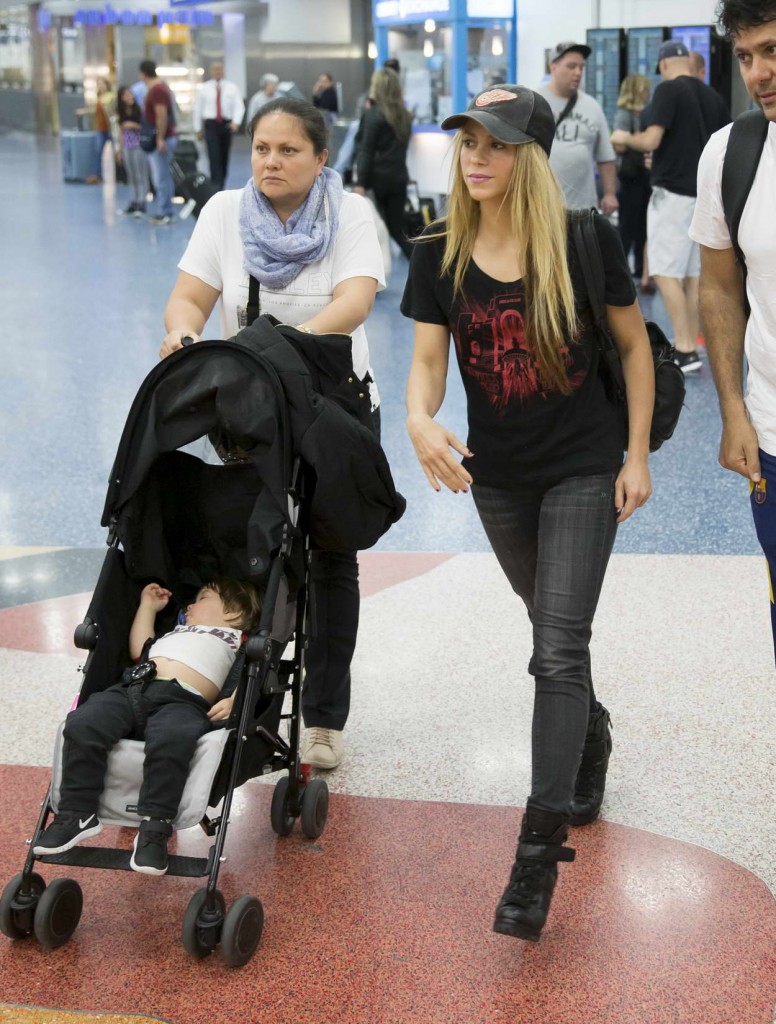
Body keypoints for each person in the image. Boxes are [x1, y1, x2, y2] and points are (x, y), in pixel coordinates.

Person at [402, 85, 654, 942]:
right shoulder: (438, 253)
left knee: (555, 649)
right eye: (468, 142)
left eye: (497, 145)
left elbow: (633, 347)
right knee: (550, 630)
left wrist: (638, 455)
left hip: (584, 467)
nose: (476, 157)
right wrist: (416, 417)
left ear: (533, 158)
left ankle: (536, 855)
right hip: (499, 478)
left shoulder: (585, 241)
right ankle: (592, 729)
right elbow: (429, 364)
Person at [159, 98, 385, 770]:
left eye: (288, 150)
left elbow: (354, 302)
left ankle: (322, 717)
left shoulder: (352, 215)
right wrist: (183, 334)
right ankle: (239, 690)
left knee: (330, 558)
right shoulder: (224, 213)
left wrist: (268, 347)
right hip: (254, 413)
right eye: (261, 147)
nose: (271, 161)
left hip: (337, 408)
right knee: (254, 548)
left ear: (321, 159)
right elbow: (188, 297)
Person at [33, 578, 262, 875]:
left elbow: (250, 675)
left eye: (202, 598)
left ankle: (155, 827)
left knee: (174, 741)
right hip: (133, 689)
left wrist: (235, 699)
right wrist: (148, 607)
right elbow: (139, 649)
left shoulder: (238, 642)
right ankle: (77, 813)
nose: (189, 605)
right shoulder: (176, 631)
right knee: (83, 722)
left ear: (232, 613)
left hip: (184, 702)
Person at [690, 0, 776, 657]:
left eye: (772, 49)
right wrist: (732, 410)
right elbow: (719, 287)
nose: (758, 73)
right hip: (772, 429)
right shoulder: (732, 152)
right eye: (746, 57)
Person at [610, 40, 730, 373]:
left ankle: (686, 348)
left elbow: (650, 140)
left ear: (663, 65)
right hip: (705, 196)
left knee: (663, 271)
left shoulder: (668, 91)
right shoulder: (713, 98)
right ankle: (691, 345)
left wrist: (620, 138)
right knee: (692, 275)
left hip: (673, 196)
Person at [538, 42, 618, 214]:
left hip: (582, 209)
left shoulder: (592, 106)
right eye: (571, 66)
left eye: (581, 67)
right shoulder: (534, 102)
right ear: (553, 68)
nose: (578, 72)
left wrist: (610, 194)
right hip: (541, 208)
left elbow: (605, 156)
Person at [354, 67, 414, 260]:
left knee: (373, 231)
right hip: (398, 177)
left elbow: (366, 150)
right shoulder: (404, 115)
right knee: (398, 229)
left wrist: (360, 183)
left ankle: (373, 278)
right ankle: (422, 267)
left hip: (376, 181)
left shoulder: (373, 114)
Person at [612, 74, 653, 293]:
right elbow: (619, 144)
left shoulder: (645, 114)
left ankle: (639, 270)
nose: (648, 94)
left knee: (642, 227)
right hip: (630, 177)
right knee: (628, 225)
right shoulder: (624, 114)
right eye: (645, 90)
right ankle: (621, 271)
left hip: (643, 176)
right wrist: (639, 140)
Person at [193, 60, 245, 191]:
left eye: (219, 69)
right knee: (213, 156)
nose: (217, 72)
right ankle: (215, 186)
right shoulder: (204, 89)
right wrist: (197, 129)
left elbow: (239, 106)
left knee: (224, 156)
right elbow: (198, 109)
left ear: (223, 71)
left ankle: (221, 184)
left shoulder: (232, 88)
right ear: (211, 72)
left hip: (226, 125)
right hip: (211, 125)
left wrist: (236, 122)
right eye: (214, 70)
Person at [139, 60, 178, 226]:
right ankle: (164, 209)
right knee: (162, 176)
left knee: (161, 177)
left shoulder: (157, 90)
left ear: (143, 73)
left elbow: (161, 116)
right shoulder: (157, 88)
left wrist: (159, 138)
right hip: (161, 138)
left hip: (162, 139)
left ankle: (166, 212)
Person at [116, 85, 150, 217]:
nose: (128, 97)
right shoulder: (122, 112)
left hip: (139, 145)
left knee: (140, 174)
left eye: (129, 94)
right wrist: (119, 149)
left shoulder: (140, 111)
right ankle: (133, 201)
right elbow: (120, 131)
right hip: (127, 146)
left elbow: (145, 127)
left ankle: (142, 202)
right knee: (131, 175)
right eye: (125, 95)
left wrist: (132, 125)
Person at [86, 77, 115, 185]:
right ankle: (96, 175)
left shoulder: (111, 97)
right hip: (100, 128)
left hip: (112, 129)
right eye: (98, 84)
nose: (100, 86)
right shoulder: (98, 98)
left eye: (102, 84)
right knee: (97, 153)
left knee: (119, 153)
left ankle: (122, 177)